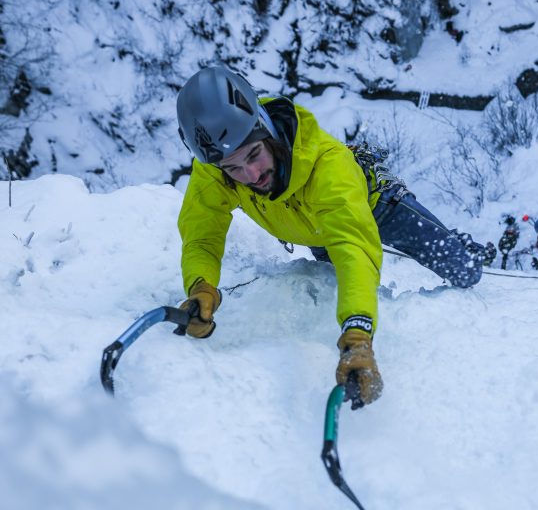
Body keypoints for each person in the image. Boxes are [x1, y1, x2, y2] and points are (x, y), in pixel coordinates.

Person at [176, 65, 492, 409]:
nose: (251, 175)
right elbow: (202, 233)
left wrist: (358, 336)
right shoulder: (217, 166)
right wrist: (201, 286)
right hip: (317, 230)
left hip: (378, 206)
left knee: (464, 271)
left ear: (264, 128)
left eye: (254, 155)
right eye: (234, 168)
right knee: (330, 280)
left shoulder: (329, 167)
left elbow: (354, 252)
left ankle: (466, 248)